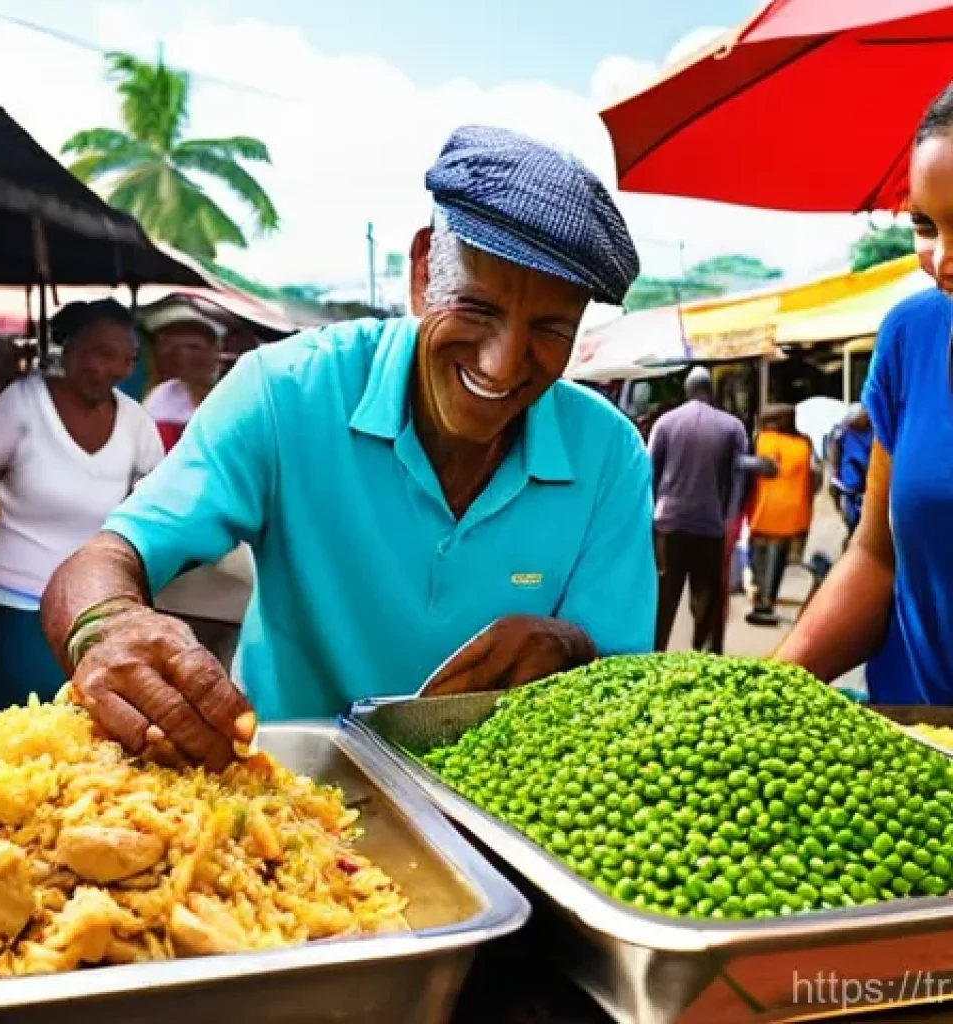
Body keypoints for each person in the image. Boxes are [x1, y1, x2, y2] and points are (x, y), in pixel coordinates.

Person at [40, 124, 657, 770]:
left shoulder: (610, 455)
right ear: (423, 271)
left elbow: (622, 679)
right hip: (283, 797)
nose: (501, 365)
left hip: (493, 803)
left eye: (549, 329)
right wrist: (110, 626)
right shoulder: (285, 392)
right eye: (477, 308)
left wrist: (568, 646)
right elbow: (108, 557)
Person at [777, 81, 953, 701]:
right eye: (926, 225)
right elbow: (877, 556)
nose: (942, 260)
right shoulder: (911, 335)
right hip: (912, 736)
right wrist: (766, 692)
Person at [0, 299, 163, 722]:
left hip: (92, 620)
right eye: (100, 353)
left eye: (126, 358)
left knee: (88, 744)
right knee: (4, 739)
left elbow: (157, 518)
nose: (113, 368)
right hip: (14, 618)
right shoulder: (20, 407)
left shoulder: (136, 424)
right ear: (67, 348)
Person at [647, 366, 747, 653]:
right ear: (710, 391)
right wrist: (730, 519)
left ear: (687, 390)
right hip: (710, 526)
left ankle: (655, 652)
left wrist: (650, 517)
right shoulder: (732, 427)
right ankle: (702, 652)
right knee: (706, 596)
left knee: (664, 595)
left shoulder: (665, 423)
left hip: (669, 524)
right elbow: (739, 478)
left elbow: (650, 473)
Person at [745, 404, 816, 627]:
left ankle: (762, 600)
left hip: (765, 505)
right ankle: (767, 600)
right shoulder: (804, 443)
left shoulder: (765, 439)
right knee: (776, 557)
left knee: (761, 554)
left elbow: (763, 469)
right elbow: (813, 478)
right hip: (792, 509)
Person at [142, 304, 224, 451]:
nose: (184, 356)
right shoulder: (163, 399)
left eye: (194, 348)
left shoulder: (232, 394)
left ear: (214, 352)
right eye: (175, 349)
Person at [827, 402, 872, 541]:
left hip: (869, 484)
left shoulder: (875, 432)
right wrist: (834, 475)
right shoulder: (842, 433)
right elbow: (834, 454)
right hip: (850, 485)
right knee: (853, 523)